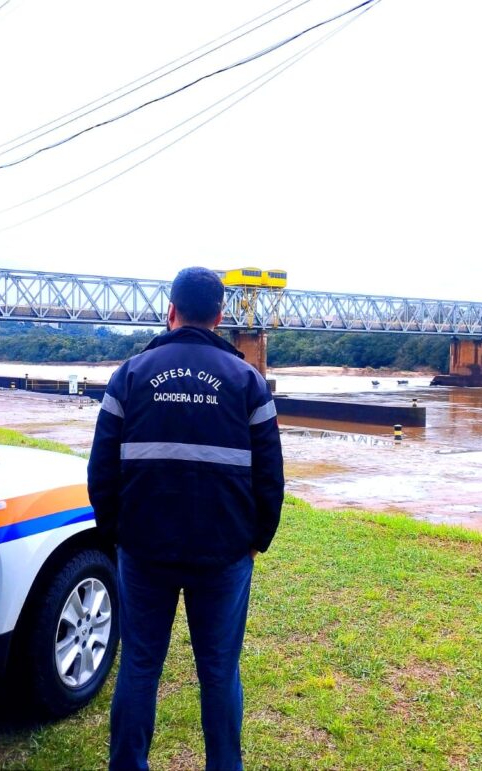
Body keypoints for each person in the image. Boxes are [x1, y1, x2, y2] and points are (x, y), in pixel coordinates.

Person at [88, 266, 284, 771]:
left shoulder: (130, 374)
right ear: (219, 316)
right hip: (223, 554)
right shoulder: (248, 380)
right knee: (219, 672)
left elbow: (102, 468)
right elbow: (270, 476)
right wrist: (256, 539)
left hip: (144, 549)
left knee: (139, 665)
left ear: (170, 311)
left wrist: (117, 533)